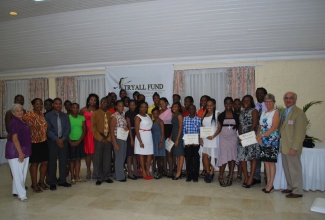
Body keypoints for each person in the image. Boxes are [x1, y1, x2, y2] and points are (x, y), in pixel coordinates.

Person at [279, 92, 308, 198]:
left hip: (292, 147)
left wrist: (294, 147)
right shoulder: (283, 112)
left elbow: (300, 133)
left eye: (291, 98)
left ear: (295, 100)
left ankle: (297, 191)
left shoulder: (299, 113)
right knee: (287, 168)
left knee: (294, 169)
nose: (288, 100)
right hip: (284, 146)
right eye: (286, 98)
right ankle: (290, 187)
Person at [5, 104, 31, 202]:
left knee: (22, 172)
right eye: (17, 111)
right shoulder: (14, 122)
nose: (20, 112)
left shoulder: (22, 121)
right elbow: (15, 139)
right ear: (13, 113)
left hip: (24, 148)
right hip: (15, 150)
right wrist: (20, 153)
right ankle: (22, 195)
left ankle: (15, 191)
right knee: (18, 174)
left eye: (21, 110)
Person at [45, 98, 71, 190]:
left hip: (63, 141)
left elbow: (68, 129)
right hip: (53, 141)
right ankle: (52, 182)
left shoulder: (65, 116)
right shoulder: (48, 116)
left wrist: (63, 139)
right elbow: (48, 130)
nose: (58, 105)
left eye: (60, 104)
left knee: (63, 161)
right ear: (53, 105)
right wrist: (57, 139)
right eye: (56, 104)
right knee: (52, 161)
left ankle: (62, 180)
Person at [23, 98, 49, 193]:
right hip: (33, 142)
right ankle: (34, 184)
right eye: (37, 104)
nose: (39, 105)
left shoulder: (42, 115)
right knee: (34, 163)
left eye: (40, 104)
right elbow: (23, 128)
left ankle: (41, 182)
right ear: (33, 105)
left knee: (45, 162)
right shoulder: (28, 115)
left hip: (43, 141)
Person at [256, 93, 280, 193]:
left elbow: (274, 127)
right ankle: (268, 183)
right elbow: (260, 126)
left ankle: (270, 184)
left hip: (272, 141)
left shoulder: (276, 112)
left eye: (270, 101)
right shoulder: (264, 113)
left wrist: (262, 135)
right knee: (266, 162)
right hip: (263, 140)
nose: (268, 103)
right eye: (266, 101)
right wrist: (258, 136)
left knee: (271, 162)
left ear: (274, 102)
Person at [215, 97, 239, 187]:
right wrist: (213, 136)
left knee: (232, 157)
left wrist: (240, 137)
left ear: (232, 104)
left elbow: (238, 127)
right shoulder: (221, 115)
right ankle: (220, 176)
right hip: (223, 139)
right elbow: (219, 128)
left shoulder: (236, 115)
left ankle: (230, 176)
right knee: (224, 157)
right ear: (224, 104)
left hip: (233, 139)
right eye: (226, 103)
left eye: (230, 103)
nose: (228, 105)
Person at [238, 95, 260, 188]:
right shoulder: (241, 112)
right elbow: (239, 125)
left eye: (247, 100)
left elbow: (254, 124)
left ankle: (251, 178)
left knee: (252, 157)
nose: (245, 102)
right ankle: (246, 177)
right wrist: (240, 135)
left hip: (251, 136)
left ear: (251, 102)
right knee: (242, 157)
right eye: (243, 100)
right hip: (242, 136)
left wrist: (248, 136)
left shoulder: (254, 111)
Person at [91, 97, 114, 185]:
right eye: (103, 103)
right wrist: (100, 138)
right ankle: (99, 177)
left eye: (106, 103)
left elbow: (112, 127)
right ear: (101, 103)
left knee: (107, 157)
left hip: (108, 137)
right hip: (99, 137)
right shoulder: (96, 114)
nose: (105, 104)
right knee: (98, 158)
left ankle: (106, 176)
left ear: (108, 104)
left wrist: (108, 138)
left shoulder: (110, 114)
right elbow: (93, 128)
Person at [200, 98, 220, 183]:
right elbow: (202, 126)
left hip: (213, 138)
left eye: (211, 105)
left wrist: (213, 136)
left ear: (214, 105)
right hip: (205, 138)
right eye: (207, 105)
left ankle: (211, 173)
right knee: (204, 155)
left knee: (213, 155)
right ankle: (208, 172)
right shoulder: (204, 113)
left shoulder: (217, 113)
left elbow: (219, 127)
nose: (209, 107)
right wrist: (201, 137)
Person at [79, 93, 99, 180]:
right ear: (88, 100)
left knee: (95, 154)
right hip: (87, 134)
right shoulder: (83, 109)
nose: (93, 101)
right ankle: (88, 171)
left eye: (95, 100)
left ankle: (95, 171)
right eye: (91, 99)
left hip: (95, 133)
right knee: (88, 154)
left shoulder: (98, 110)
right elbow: (79, 120)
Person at [134, 101, 154, 180]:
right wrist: (140, 141)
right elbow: (136, 130)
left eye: (145, 107)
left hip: (149, 136)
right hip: (141, 136)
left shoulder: (148, 116)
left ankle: (148, 170)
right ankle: (144, 172)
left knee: (149, 154)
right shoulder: (138, 117)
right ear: (139, 108)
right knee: (142, 154)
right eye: (142, 107)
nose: (144, 108)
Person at [110, 100, 129, 182]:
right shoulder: (114, 116)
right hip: (117, 139)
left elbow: (123, 127)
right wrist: (115, 143)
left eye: (122, 106)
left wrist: (126, 128)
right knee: (119, 158)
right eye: (119, 106)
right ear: (116, 107)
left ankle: (117, 174)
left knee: (122, 157)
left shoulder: (122, 115)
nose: (121, 107)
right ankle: (120, 177)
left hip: (123, 138)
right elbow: (111, 131)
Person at [68, 103, 86, 184]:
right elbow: (65, 130)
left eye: (77, 108)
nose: (75, 109)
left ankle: (77, 177)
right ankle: (72, 177)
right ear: (71, 108)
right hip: (70, 141)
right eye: (73, 107)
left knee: (78, 159)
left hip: (79, 141)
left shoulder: (82, 117)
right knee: (71, 160)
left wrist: (79, 140)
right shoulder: (68, 117)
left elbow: (84, 130)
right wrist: (70, 141)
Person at [183, 104, 201, 182]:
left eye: (193, 109)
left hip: (196, 143)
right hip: (188, 143)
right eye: (190, 109)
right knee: (188, 159)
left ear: (195, 109)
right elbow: (183, 131)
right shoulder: (185, 119)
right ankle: (189, 176)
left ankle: (195, 176)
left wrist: (197, 141)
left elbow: (200, 131)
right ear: (188, 110)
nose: (191, 110)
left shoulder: (199, 119)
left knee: (196, 160)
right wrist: (185, 141)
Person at [254, 87, 268, 185]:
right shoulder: (255, 106)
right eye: (257, 93)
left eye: (261, 93)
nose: (259, 95)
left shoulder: (269, 106)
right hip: (255, 135)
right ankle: (256, 177)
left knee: (266, 158)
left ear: (265, 95)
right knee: (256, 156)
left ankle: (268, 177)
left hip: (266, 135)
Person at [125, 100, 141, 179]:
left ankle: (135, 171)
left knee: (135, 154)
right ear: (129, 106)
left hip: (136, 133)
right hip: (130, 134)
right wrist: (131, 139)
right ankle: (130, 173)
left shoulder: (137, 114)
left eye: (133, 105)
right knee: (130, 155)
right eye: (131, 105)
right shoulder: (127, 113)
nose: (132, 106)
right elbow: (129, 126)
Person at [170, 102, 184, 180]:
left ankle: (179, 172)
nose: (174, 108)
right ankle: (179, 171)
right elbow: (174, 127)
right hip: (174, 136)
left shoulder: (179, 115)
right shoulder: (173, 115)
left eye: (176, 106)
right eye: (173, 106)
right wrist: (171, 136)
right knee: (177, 155)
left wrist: (178, 139)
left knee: (180, 154)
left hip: (179, 136)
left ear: (179, 108)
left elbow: (180, 128)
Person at [159, 97, 173, 177]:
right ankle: (164, 170)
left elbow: (174, 124)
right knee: (162, 153)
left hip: (169, 133)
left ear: (167, 103)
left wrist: (171, 135)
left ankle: (170, 171)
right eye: (160, 104)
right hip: (161, 133)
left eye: (163, 103)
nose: (162, 105)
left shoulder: (171, 111)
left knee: (169, 153)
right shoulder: (159, 112)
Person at [197, 95, 210, 178]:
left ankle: (208, 169)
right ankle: (205, 169)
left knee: (209, 153)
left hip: (209, 134)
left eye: (205, 100)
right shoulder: (199, 111)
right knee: (203, 152)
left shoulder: (211, 110)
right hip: (201, 133)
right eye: (202, 100)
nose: (203, 102)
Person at [151, 107, 165, 179]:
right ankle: (156, 171)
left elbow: (163, 133)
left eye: (157, 113)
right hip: (154, 140)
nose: (155, 114)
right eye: (154, 113)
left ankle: (160, 172)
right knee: (155, 157)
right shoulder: (153, 121)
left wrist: (161, 142)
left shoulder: (161, 121)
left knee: (160, 157)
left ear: (159, 114)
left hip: (159, 139)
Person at [233, 98, 243, 182]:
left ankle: (239, 174)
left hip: (241, 136)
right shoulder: (230, 114)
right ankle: (231, 172)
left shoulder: (243, 114)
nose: (237, 105)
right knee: (232, 155)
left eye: (238, 104)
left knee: (240, 156)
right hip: (232, 136)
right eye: (235, 104)